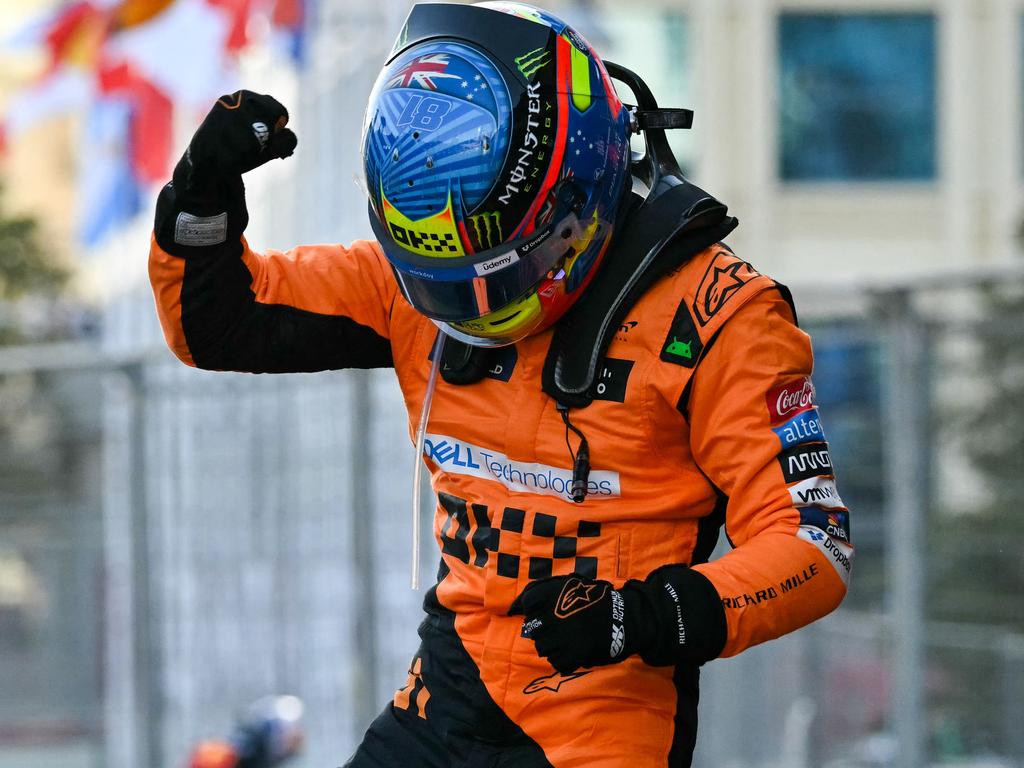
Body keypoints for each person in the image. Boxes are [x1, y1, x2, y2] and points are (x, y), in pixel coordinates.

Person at [149, 3, 854, 766]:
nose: (475, 305)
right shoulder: (415, 285)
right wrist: (200, 197)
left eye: (504, 264)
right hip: (445, 696)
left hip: (602, 719)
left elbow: (813, 547)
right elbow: (218, 326)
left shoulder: (723, 315)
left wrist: (641, 616)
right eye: (444, 280)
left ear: (579, 186)